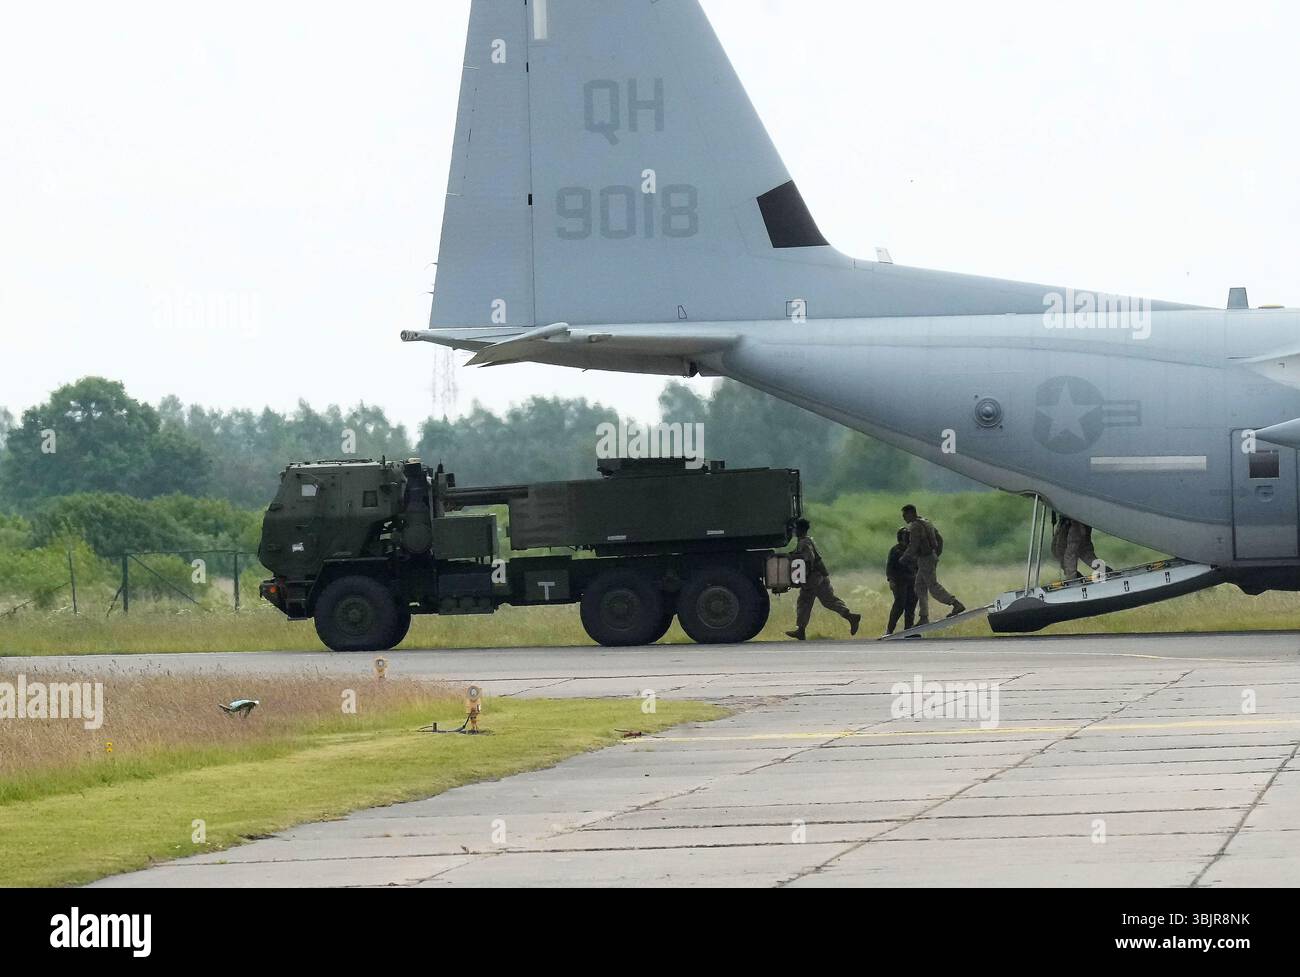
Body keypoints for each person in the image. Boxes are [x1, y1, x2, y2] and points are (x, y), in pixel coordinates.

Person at [784, 517, 861, 641]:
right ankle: (850, 616)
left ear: (799, 530)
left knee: (807, 602)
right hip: (819, 577)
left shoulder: (804, 543)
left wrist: (803, 577)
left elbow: (809, 560)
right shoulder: (807, 540)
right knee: (824, 601)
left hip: (813, 578)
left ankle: (801, 630)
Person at [901, 504, 965, 624]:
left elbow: (913, 545)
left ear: (911, 513)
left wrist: (904, 558)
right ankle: (924, 616)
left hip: (925, 558)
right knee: (919, 586)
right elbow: (939, 539)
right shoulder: (926, 522)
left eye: (905, 515)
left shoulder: (915, 526)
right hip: (929, 556)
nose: (904, 518)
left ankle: (955, 604)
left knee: (933, 586)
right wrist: (936, 554)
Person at [884, 526, 918, 635]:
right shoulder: (895, 550)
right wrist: (891, 580)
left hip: (913, 580)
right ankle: (890, 630)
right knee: (899, 605)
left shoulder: (914, 550)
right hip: (899, 581)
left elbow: (919, 565)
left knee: (911, 606)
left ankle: (909, 631)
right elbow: (890, 567)